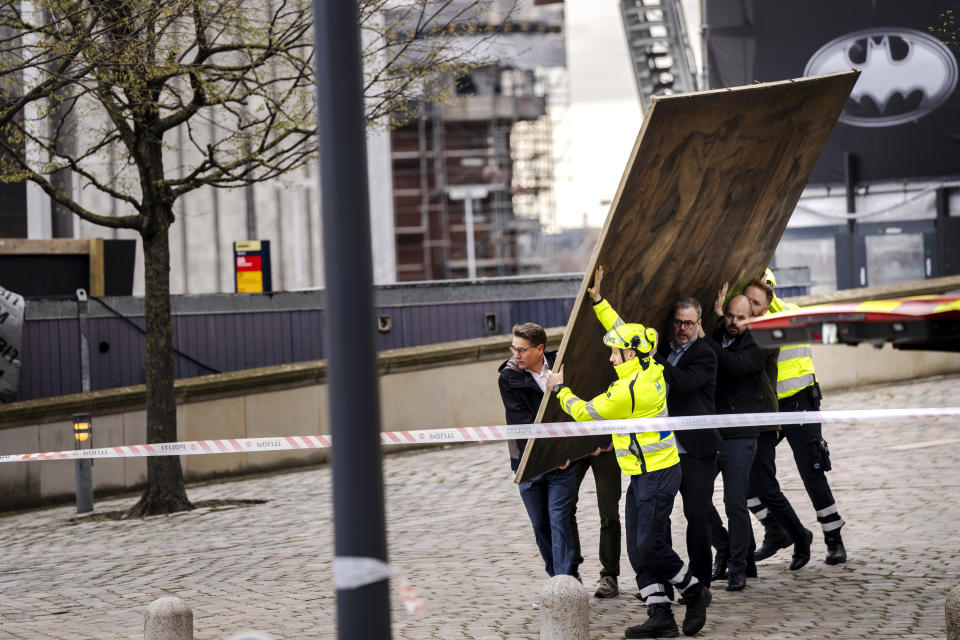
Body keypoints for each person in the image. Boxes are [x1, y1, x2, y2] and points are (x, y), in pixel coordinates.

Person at [545, 266, 711, 639]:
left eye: (615, 354)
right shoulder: (649, 363)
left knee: (649, 545)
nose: (610, 359)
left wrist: (559, 388)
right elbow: (624, 330)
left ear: (631, 355)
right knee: (639, 551)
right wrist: (600, 302)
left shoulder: (627, 392)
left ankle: (695, 590)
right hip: (645, 472)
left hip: (657, 473)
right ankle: (661, 616)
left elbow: (584, 412)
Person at [759, 269, 847, 565]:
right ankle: (777, 530)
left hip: (799, 402)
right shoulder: (745, 321)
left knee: (812, 469)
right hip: (768, 405)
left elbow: (776, 311)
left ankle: (834, 538)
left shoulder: (789, 311)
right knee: (751, 469)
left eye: (762, 291)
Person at [738, 279, 813, 570]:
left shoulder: (766, 331)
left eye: (756, 303)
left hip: (764, 419)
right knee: (744, 485)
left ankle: (800, 536)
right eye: (748, 301)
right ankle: (776, 530)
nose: (751, 307)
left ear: (767, 307)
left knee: (767, 487)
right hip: (743, 419)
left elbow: (741, 365)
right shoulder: (742, 329)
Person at [498, 323, 579, 587]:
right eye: (515, 349)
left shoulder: (561, 366)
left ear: (540, 349)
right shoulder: (508, 377)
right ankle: (558, 576)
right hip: (527, 462)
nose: (516, 355)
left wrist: (567, 452)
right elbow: (525, 424)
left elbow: (574, 413)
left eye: (522, 350)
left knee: (559, 520)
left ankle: (564, 584)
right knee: (541, 526)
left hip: (562, 463)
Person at [652, 297, 721, 593]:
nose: (682, 328)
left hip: (697, 449)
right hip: (665, 448)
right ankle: (666, 581)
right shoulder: (667, 349)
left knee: (697, 515)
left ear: (699, 324)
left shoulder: (706, 354)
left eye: (688, 323)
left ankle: (701, 583)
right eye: (678, 322)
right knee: (659, 516)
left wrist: (655, 359)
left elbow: (683, 382)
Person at [699, 295, 766, 592]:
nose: (733, 322)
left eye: (740, 318)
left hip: (742, 436)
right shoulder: (718, 336)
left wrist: (705, 336)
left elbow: (732, 364)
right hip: (714, 434)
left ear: (751, 320)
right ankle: (724, 548)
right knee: (697, 498)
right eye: (729, 316)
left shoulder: (758, 343)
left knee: (734, 503)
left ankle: (738, 568)